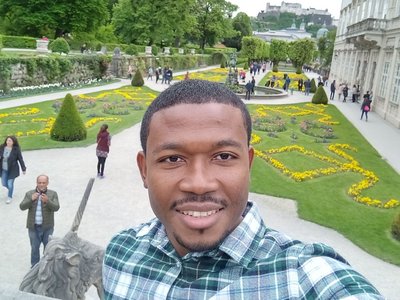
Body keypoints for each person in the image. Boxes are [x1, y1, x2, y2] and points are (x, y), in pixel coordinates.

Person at [103, 79, 382, 299]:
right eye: (172, 159)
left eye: (223, 156)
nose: (199, 184)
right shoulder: (119, 253)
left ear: (248, 165)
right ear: (144, 170)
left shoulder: (306, 276)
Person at [20, 175, 60, 267]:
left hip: (47, 228)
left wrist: (47, 201)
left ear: (47, 183)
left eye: (44, 183)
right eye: (39, 182)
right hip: (33, 228)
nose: (41, 185)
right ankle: (34, 268)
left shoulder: (53, 194)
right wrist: (31, 199)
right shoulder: (29, 193)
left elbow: (56, 207)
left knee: (48, 249)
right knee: (34, 249)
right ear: (36, 183)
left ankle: (46, 268)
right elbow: (22, 207)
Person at [0, 135, 26, 204]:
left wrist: (23, 168)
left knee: (10, 184)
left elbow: (20, 159)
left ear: (13, 142)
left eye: (10, 141)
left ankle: (9, 196)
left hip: (12, 169)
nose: (8, 142)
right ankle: (10, 190)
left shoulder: (16, 149)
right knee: (4, 183)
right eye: (7, 140)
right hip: (3, 169)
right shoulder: (2, 147)